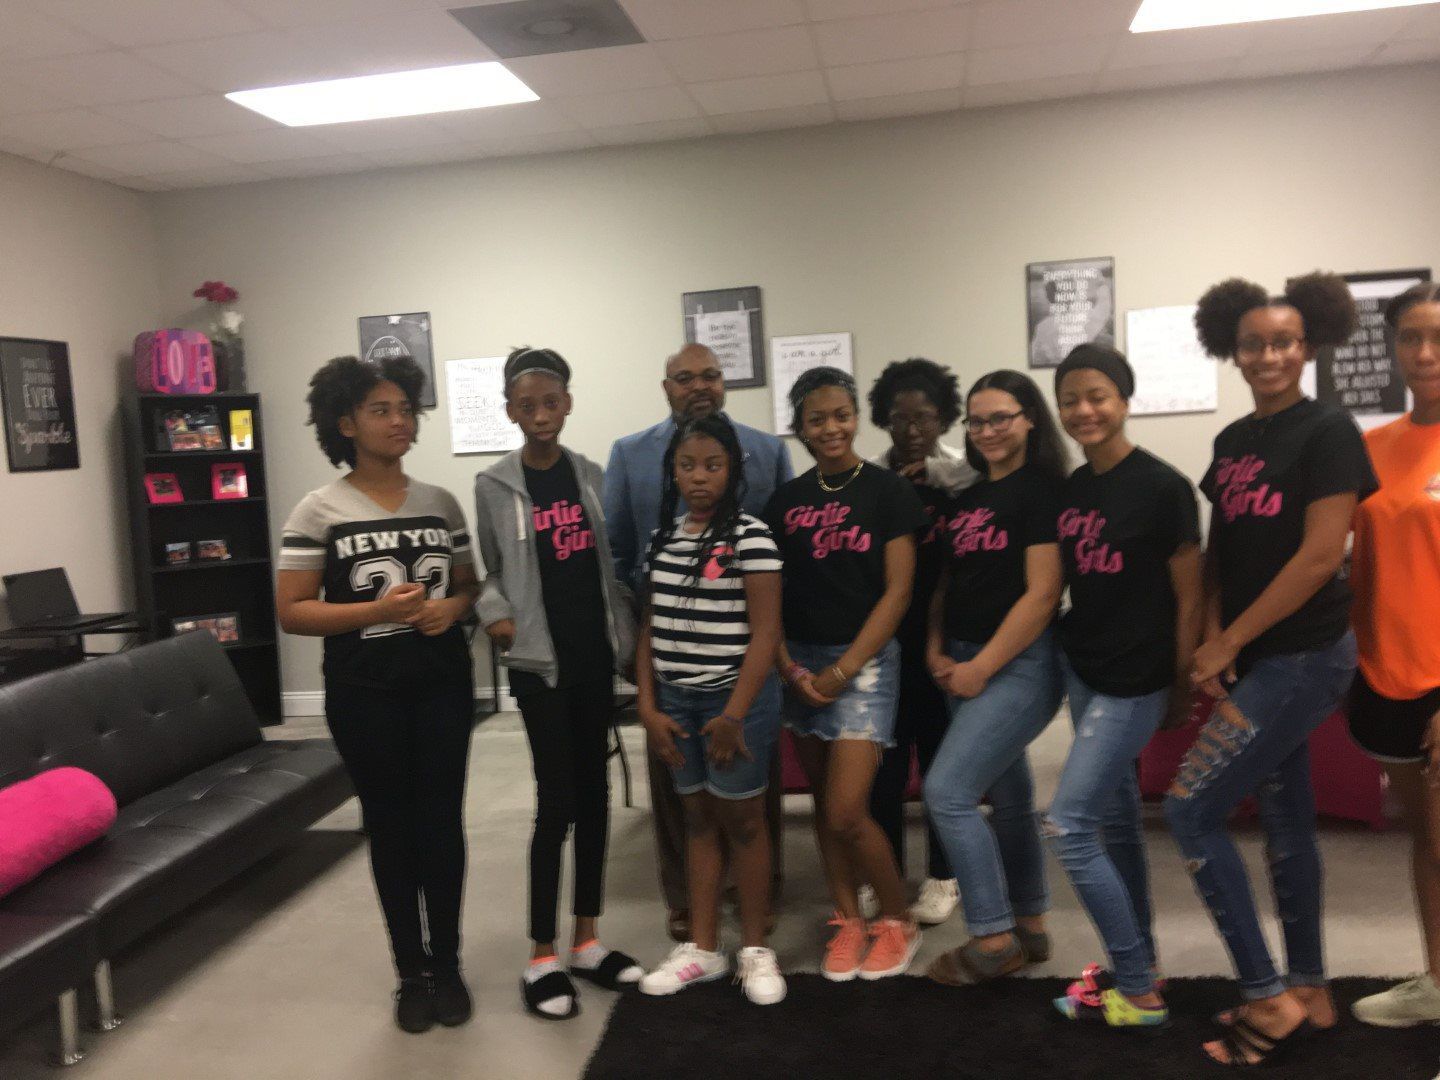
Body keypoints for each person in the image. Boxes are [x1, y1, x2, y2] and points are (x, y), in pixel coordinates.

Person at [1166, 273, 1377, 1067]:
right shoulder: (1233, 443)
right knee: (1286, 824)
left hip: (1306, 656)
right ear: (1233, 348)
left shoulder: (1328, 431)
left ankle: (1265, 993)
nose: (1268, 355)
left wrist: (1230, 644)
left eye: (1283, 341)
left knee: (1190, 810)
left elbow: (1322, 555)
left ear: (1308, 345)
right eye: (1253, 343)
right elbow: (1225, 550)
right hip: (1255, 656)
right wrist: (1214, 637)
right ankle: (1312, 990)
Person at [276, 355, 478, 1034]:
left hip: (444, 687)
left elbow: (468, 586)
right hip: (366, 695)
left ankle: (448, 963)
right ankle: (410, 972)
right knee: (391, 829)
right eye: (380, 410)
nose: (399, 421)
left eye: (405, 410)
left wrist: (454, 609)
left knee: (442, 826)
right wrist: (372, 614)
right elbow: (293, 610)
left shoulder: (441, 503)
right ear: (346, 422)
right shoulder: (318, 510)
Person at [473, 347, 641, 1021]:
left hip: (592, 660)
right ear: (512, 411)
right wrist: (500, 620)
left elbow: (611, 568)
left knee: (597, 798)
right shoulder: (493, 485)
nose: (541, 415)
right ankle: (542, 953)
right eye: (527, 404)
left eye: (552, 401)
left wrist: (622, 640)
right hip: (540, 668)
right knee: (557, 804)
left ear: (567, 403)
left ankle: (588, 939)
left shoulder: (593, 478)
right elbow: (486, 574)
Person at [605, 343, 793, 941]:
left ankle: (758, 904)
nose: (699, 386)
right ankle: (688, 901)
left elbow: (782, 550)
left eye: (710, 375)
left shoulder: (766, 451)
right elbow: (615, 551)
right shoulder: (630, 454)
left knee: (748, 788)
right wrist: (640, 673)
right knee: (681, 794)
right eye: (685, 378)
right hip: (667, 646)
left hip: (741, 651)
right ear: (666, 388)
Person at [1047, 344, 1203, 1030]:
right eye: (1071, 398)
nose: (1084, 410)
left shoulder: (1164, 488)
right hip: (1087, 670)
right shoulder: (1073, 490)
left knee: (1070, 826)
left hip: (1137, 681)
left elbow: (1190, 597)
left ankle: (1137, 989)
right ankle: (1141, 961)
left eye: (1098, 395)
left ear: (1125, 399)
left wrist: (1181, 681)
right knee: (1114, 827)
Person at [765, 366, 927, 981]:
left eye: (840, 415)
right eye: (816, 418)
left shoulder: (888, 493)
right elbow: (770, 592)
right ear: (800, 427)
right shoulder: (786, 501)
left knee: (845, 812)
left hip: (863, 665)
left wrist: (844, 668)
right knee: (820, 806)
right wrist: (785, 663)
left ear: (856, 417)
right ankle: (846, 917)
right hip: (799, 664)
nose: (830, 428)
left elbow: (899, 592)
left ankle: (894, 919)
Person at [636, 414, 787, 1006]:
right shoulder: (662, 538)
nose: (699, 478)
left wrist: (734, 714)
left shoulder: (752, 537)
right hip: (675, 699)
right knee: (697, 818)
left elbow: (767, 633)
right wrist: (648, 708)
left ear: (733, 470)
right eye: (687, 466)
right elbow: (651, 626)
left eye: (712, 466)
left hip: (735, 701)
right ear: (672, 473)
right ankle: (703, 947)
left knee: (745, 822)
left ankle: (754, 949)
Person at [923, 370, 1068, 986]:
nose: (986, 431)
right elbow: (948, 582)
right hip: (960, 658)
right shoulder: (970, 496)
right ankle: (1031, 926)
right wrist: (936, 649)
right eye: (976, 422)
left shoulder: (1043, 494)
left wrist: (982, 667)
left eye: (999, 418)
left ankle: (992, 936)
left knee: (948, 793)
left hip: (1019, 665)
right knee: (1009, 803)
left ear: (1029, 417)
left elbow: (1042, 596)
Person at [1349, 282, 1440, 1027]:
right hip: (1385, 679)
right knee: (1429, 844)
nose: (1425, 353)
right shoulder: (1372, 446)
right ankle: (1437, 981)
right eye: (1410, 337)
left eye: (1437, 336)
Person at [860, 358, 976, 926]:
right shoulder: (870, 479)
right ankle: (882, 870)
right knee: (884, 764)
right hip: (886, 639)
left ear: (943, 419)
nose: (911, 429)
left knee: (941, 763)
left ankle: (943, 875)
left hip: (946, 639)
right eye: (900, 418)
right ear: (883, 418)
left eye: (924, 417)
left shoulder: (965, 475)